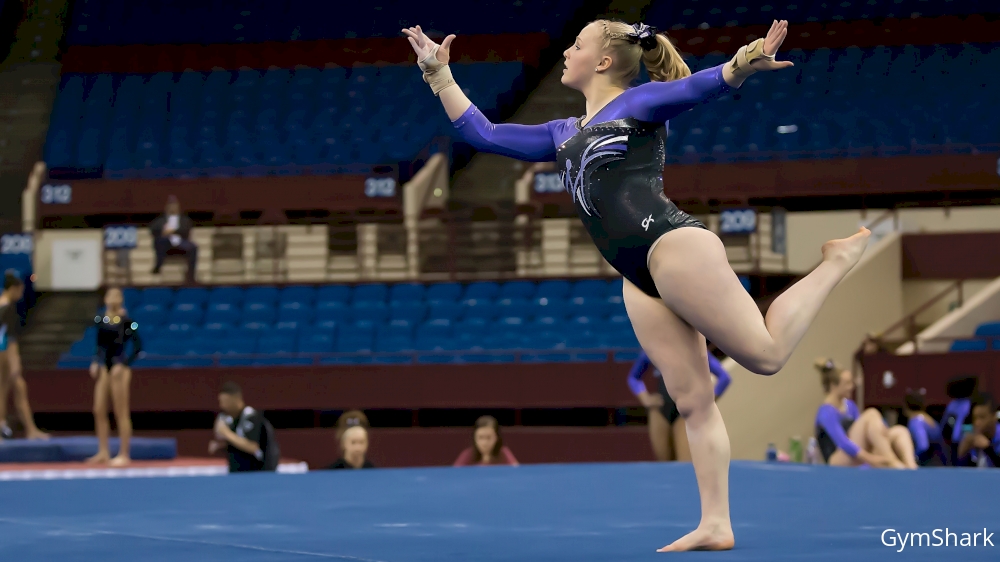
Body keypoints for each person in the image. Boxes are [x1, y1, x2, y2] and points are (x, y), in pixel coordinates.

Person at [405, 17, 869, 551]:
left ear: (603, 62)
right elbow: (481, 132)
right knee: (693, 401)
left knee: (765, 355)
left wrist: (742, 63)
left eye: (575, 46)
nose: (565, 52)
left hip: (671, 246)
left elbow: (696, 88)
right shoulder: (562, 133)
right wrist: (437, 73)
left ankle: (835, 260)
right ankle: (716, 523)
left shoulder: (638, 104)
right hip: (636, 274)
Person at [628, 350, 731, 461]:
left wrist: (708, 402)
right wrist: (645, 398)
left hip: (685, 413)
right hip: (660, 411)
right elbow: (633, 378)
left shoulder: (694, 348)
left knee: (684, 466)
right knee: (664, 465)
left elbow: (724, 378)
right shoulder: (652, 350)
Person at [814, 359, 915, 470]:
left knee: (900, 431)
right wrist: (871, 460)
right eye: (847, 383)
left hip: (858, 453)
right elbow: (843, 442)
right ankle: (892, 463)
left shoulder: (850, 405)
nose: (852, 386)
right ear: (834, 386)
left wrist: (882, 430)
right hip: (838, 459)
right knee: (871, 414)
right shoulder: (825, 412)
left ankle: (912, 468)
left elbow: (868, 431)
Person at [86, 287, 141, 466]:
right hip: (104, 367)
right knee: (99, 409)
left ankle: (124, 453)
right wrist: (95, 361)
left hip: (120, 368)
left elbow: (138, 345)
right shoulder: (100, 318)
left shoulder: (128, 321)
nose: (113, 298)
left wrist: (124, 365)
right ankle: (103, 451)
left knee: (121, 411)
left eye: (117, 295)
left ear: (121, 299)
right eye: (110, 295)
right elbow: (99, 344)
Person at [0, 270, 48, 441]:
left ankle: (29, 429)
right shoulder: (8, 308)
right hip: (3, 353)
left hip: (3, 350)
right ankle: (7, 425)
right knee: (5, 390)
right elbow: (8, 337)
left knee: (18, 388)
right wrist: (14, 362)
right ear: (13, 288)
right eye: (20, 291)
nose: (21, 295)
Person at [209, 381, 279, 473]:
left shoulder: (251, 416)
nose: (221, 405)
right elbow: (237, 442)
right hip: (237, 472)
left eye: (225, 402)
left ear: (235, 399)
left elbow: (252, 447)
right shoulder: (230, 419)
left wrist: (226, 433)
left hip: (256, 472)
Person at [149, 195, 197, 283]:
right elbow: (153, 229)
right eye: (170, 205)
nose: (173, 207)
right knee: (160, 241)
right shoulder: (160, 220)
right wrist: (163, 231)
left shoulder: (184, 220)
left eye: (174, 205)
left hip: (180, 244)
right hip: (166, 245)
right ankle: (158, 265)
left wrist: (173, 231)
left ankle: (191, 277)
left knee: (193, 247)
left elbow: (186, 229)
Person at [453, 415, 519, 466]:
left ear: (496, 438)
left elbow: (517, 474)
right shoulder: (467, 455)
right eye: (480, 437)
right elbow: (454, 476)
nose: (484, 443)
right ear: (474, 438)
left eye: (489, 437)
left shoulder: (504, 453)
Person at [902, 389, 945, 466]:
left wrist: (912, 458)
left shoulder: (916, 422)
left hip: (929, 468)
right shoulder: (928, 419)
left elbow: (923, 446)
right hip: (939, 464)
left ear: (905, 406)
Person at [957, 393, 1000, 468]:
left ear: (994, 416)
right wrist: (962, 454)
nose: (977, 423)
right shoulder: (970, 436)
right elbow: (960, 474)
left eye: (982, 417)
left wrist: (988, 449)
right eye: (974, 418)